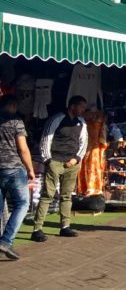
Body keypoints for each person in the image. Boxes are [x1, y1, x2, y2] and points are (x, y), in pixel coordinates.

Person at [31, 96, 89, 242]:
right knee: (47, 195)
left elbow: (84, 142)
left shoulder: (81, 122)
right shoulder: (57, 119)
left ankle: (65, 226)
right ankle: (37, 229)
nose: (83, 110)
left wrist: (76, 159)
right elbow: (46, 138)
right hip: (55, 161)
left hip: (72, 163)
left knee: (67, 195)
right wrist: (48, 160)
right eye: (81, 106)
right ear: (72, 106)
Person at [0, 94, 36, 259]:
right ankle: (6, 240)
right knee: (22, 204)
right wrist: (30, 169)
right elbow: (23, 149)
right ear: (13, 105)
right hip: (14, 168)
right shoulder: (16, 122)